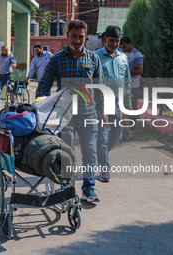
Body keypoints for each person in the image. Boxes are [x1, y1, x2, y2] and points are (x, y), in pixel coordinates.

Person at [36, 19, 107, 202]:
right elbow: (44, 84)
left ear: (86, 37)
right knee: (66, 154)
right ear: (67, 35)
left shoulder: (93, 59)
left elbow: (100, 87)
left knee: (90, 152)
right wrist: (41, 106)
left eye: (81, 37)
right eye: (73, 36)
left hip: (88, 114)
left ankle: (88, 189)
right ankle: (67, 188)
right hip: (65, 116)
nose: (77, 40)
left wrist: (103, 111)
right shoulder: (57, 59)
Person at [95, 25, 132, 182]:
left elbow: (127, 82)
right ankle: (105, 167)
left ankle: (101, 152)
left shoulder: (123, 58)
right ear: (105, 39)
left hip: (116, 103)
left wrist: (128, 102)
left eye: (117, 41)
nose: (114, 44)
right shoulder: (95, 56)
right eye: (111, 40)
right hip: (100, 103)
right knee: (103, 136)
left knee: (118, 134)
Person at [120, 36, 144, 132]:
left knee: (132, 107)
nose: (123, 49)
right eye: (122, 47)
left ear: (130, 43)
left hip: (133, 85)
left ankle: (132, 129)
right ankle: (125, 128)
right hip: (123, 85)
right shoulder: (124, 54)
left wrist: (125, 73)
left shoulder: (137, 55)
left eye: (125, 46)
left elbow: (140, 71)